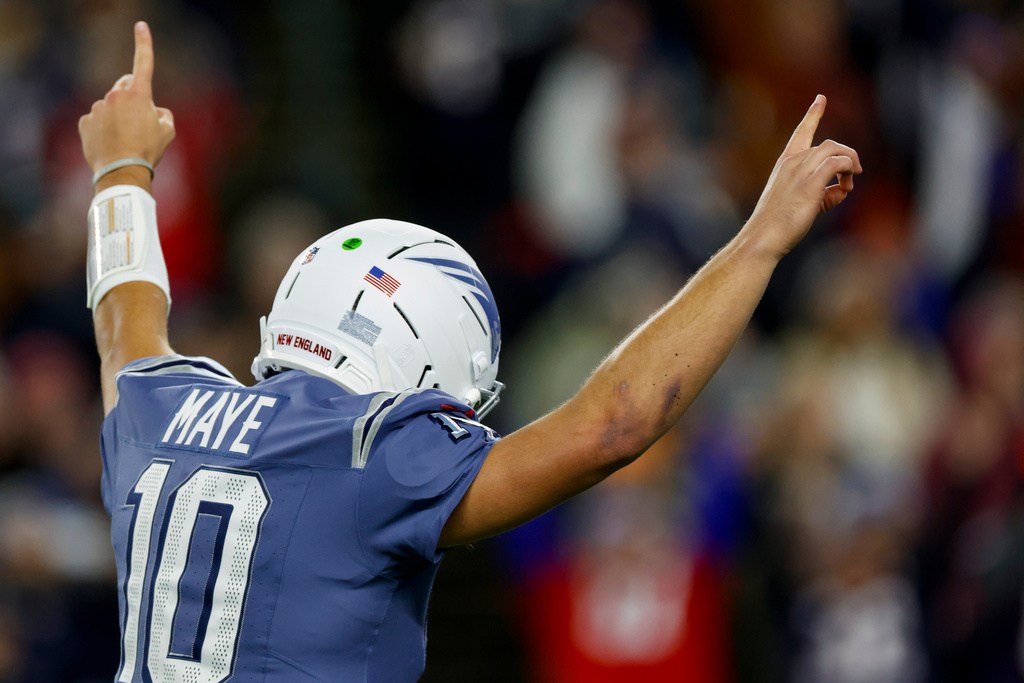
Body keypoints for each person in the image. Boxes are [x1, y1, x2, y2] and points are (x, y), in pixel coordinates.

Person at [78, 22, 861, 683]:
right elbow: (613, 426)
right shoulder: (373, 452)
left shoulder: (156, 410)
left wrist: (121, 169)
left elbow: (125, 319)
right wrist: (760, 241)